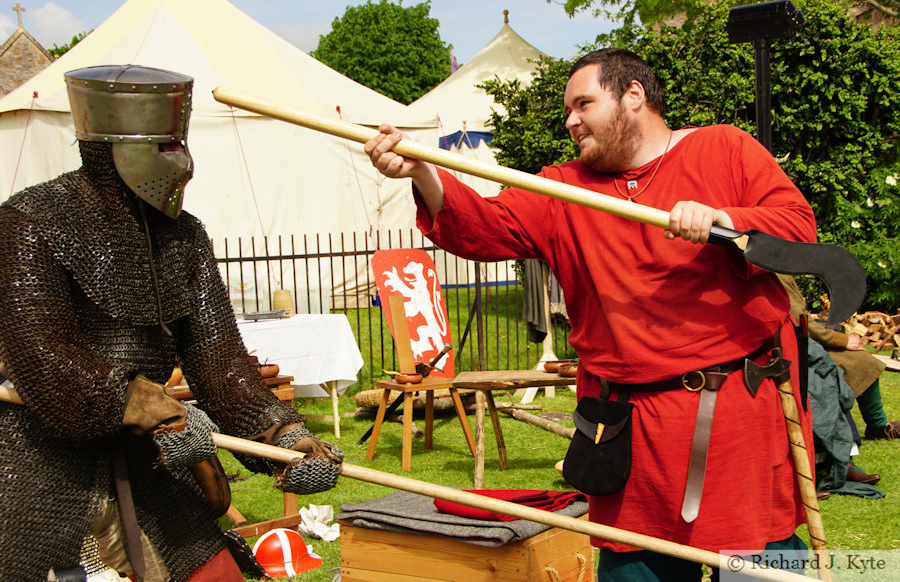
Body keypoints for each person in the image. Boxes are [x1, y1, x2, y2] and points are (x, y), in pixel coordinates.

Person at [365, 48, 817, 581]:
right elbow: (483, 224)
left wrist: (727, 220)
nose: (572, 121)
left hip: (736, 413)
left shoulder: (723, 148)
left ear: (633, 95)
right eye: (568, 111)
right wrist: (424, 173)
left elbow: (796, 228)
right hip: (627, 424)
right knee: (633, 567)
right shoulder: (563, 189)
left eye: (584, 104)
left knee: (759, 565)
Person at [0, 65, 343, 582]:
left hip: (149, 461)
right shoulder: (31, 221)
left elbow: (219, 359)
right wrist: (143, 404)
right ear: (111, 144)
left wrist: (284, 437)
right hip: (42, 460)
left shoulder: (183, 235)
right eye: (162, 145)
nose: (179, 161)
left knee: (214, 575)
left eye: (178, 142)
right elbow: (44, 359)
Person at [779, 275, 899, 442]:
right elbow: (800, 321)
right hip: (790, 349)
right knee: (863, 362)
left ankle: (877, 425)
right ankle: (877, 426)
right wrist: (843, 340)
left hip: (796, 343)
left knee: (862, 360)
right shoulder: (775, 275)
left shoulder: (779, 273)